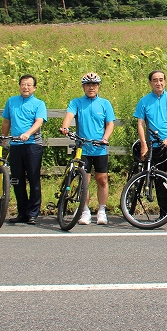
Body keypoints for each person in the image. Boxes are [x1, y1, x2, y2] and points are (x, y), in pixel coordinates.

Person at [134, 69, 167, 224]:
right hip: (154, 144)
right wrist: (144, 144)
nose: (158, 83)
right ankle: (164, 212)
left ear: (165, 81)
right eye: (155, 80)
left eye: (161, 79)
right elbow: (140, 123)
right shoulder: (144, 101)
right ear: (150, 83)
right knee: (158, 179)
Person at [61, 72, 116, 225]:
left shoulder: (105, 103)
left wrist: (105, 138)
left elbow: (110, 123)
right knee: (84, 181)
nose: (91, 87)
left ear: (98, 86)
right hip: (83, 148)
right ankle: (84, 210)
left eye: (94, 84)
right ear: (83, 87)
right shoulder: (76, 102)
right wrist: (65, 127)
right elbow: (69, 115)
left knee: (102, 179)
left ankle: (102, 210)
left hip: (99, 148)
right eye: (88, 85)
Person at [1, 74, 47, 225]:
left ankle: (33, 213)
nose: (25, 87)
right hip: (15, 146)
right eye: (23, 84)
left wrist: (28, 133)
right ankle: (22, 212)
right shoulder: (11, 101)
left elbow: (39, 122)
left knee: (33, 179)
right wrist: (3, 139)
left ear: (34, 88)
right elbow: (6, 121)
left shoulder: (39, 104)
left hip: (33, 145)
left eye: (29, 85)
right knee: (17, 179)